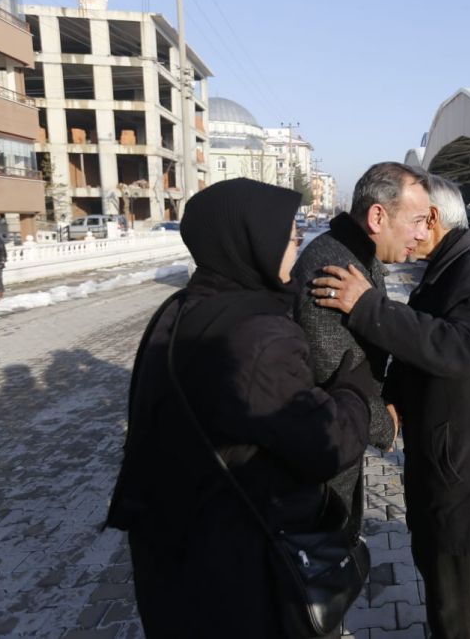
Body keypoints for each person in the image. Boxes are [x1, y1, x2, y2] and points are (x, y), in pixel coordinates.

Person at [105, 178, 376, 638]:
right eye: (289, 238)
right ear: (251, 242)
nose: (296, 249)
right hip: (241, 567)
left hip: (173, 551)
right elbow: (327, 444)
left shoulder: (180, 308)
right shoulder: (259, 335)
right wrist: (354, 389)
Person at [311, 175, 470, 639]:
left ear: (431, 218)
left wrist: (368, 306)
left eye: (413, 220)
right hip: (448, 465)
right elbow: (423, 348)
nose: (408, 235)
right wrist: (390, 403)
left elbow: (457, 349)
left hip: (467, 477)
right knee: (446, 596)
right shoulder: (451, 266)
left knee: (463, 612)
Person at [293, 162, 429, 533]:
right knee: (324, 555)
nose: (422, 233)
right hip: (321, 448)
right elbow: (333, 363)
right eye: (417, 220)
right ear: (377, 216)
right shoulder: (333, 266)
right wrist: (383, 423)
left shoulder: (354, 255)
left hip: (336, 437)